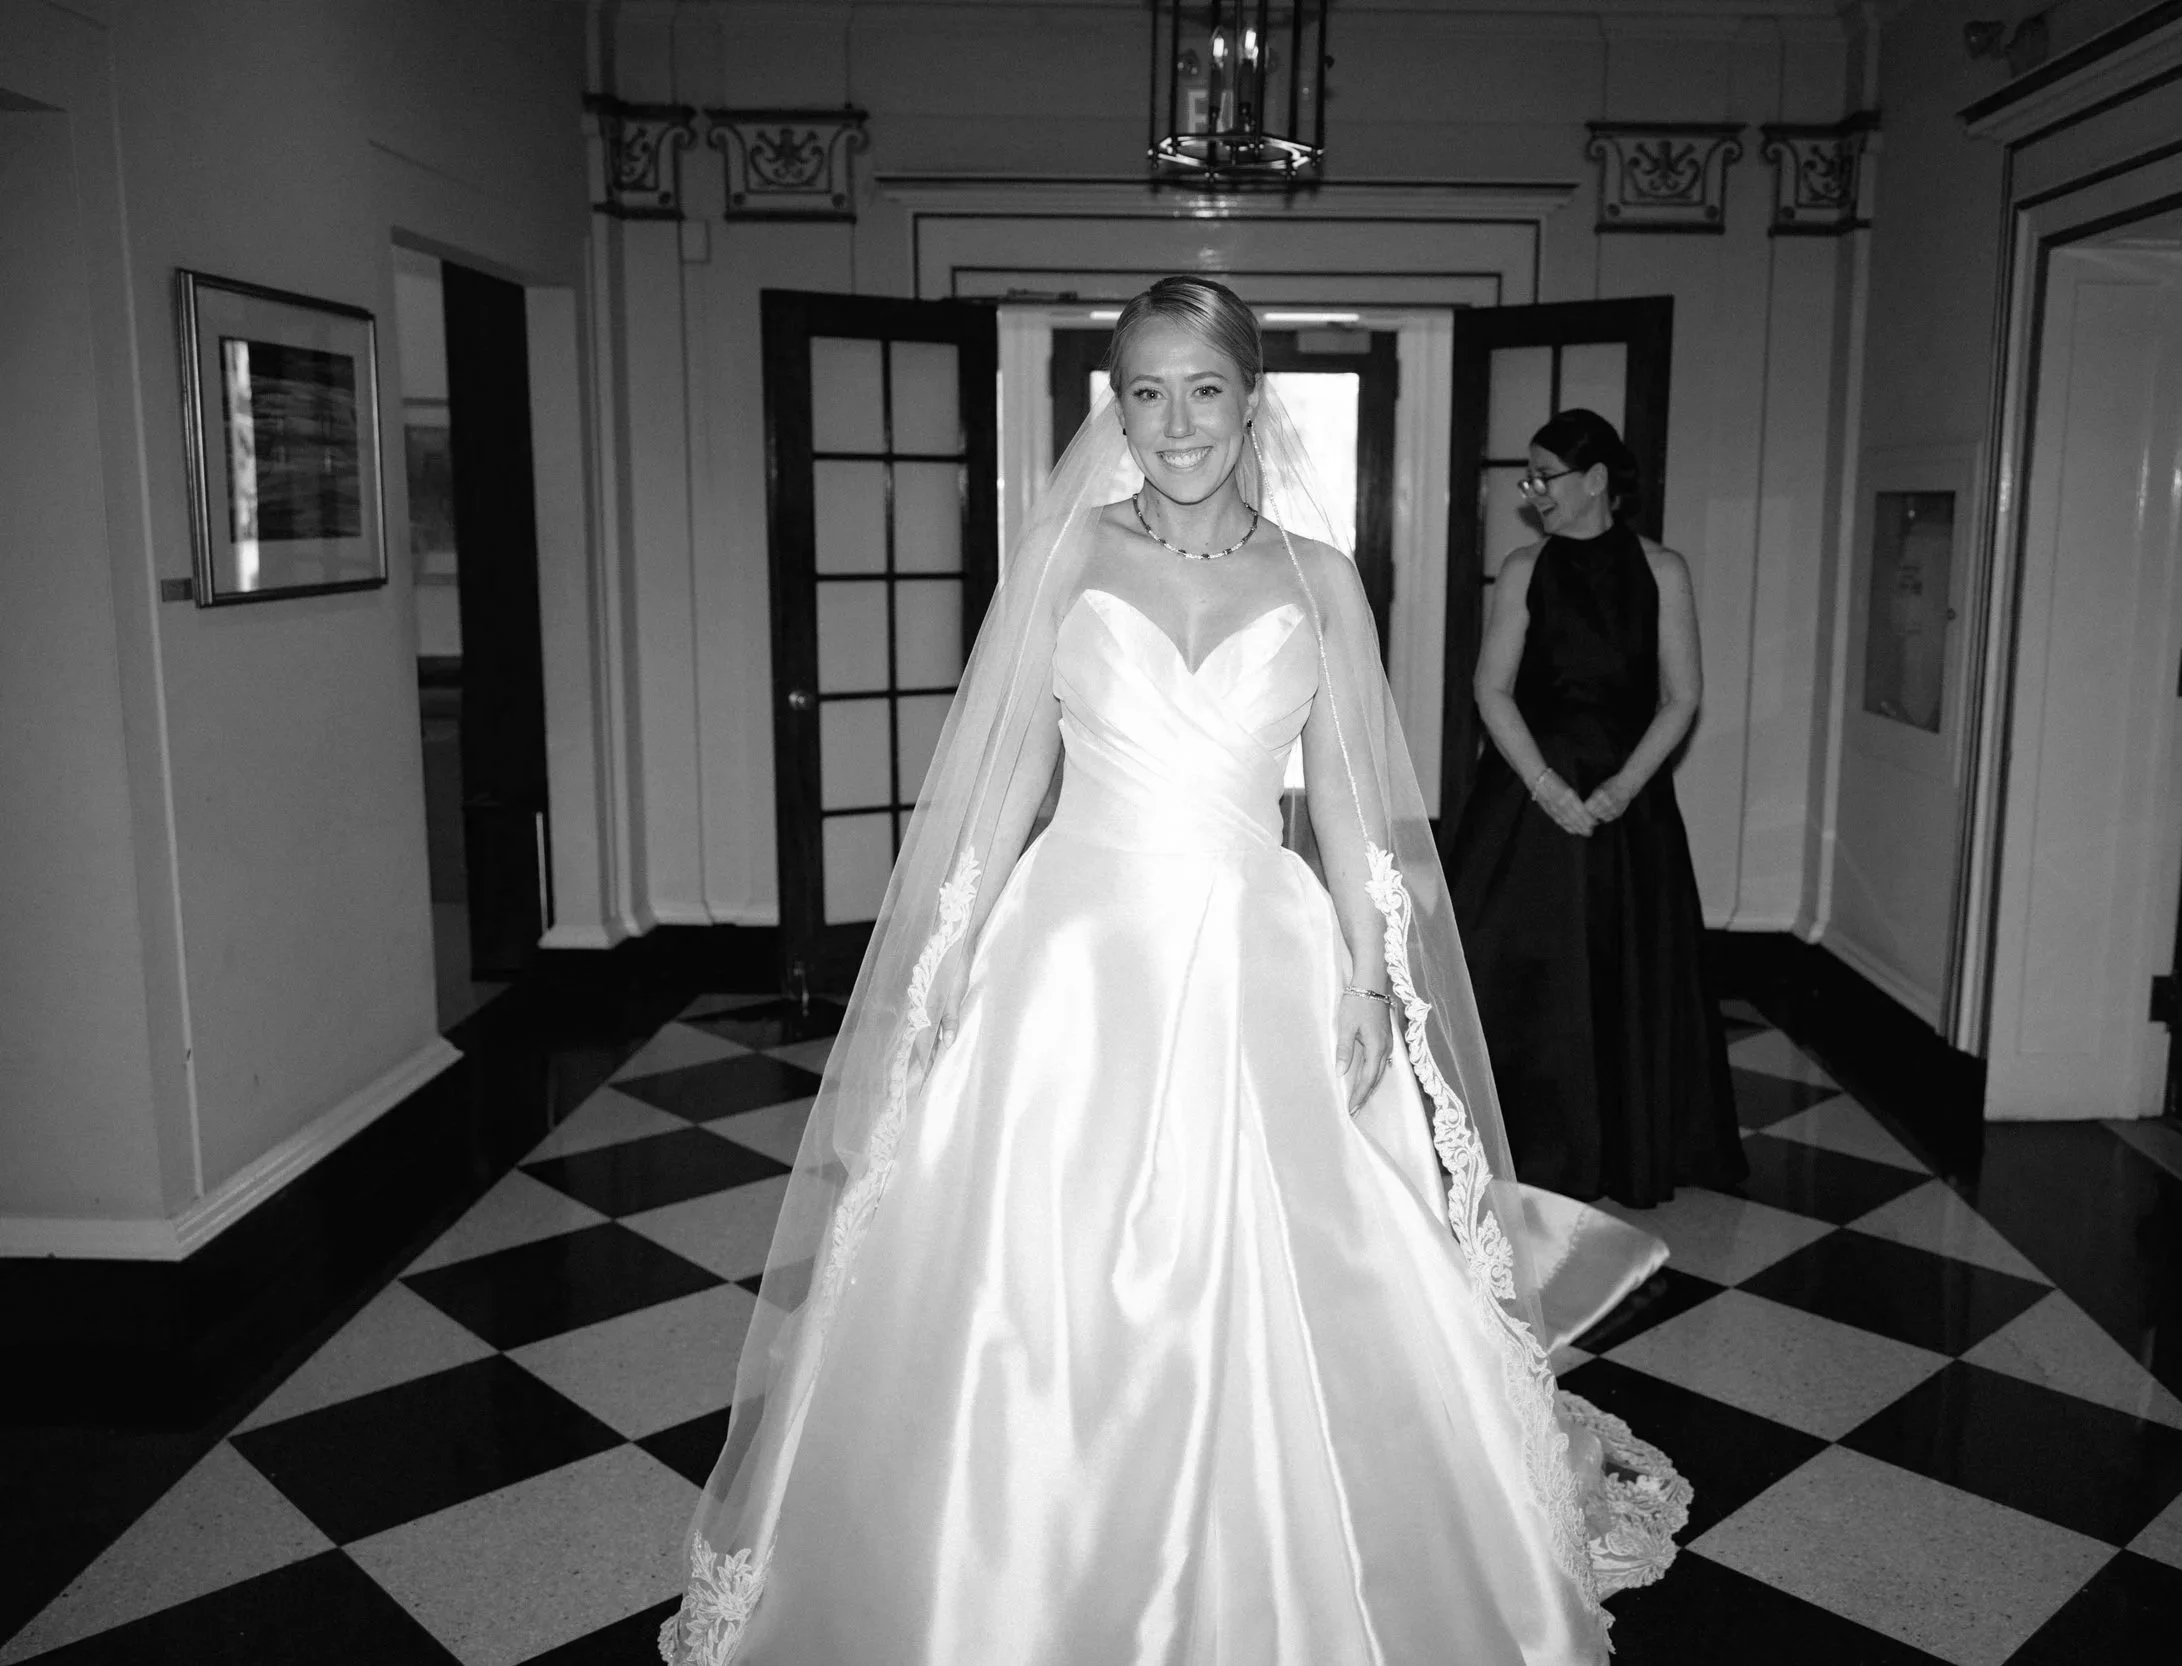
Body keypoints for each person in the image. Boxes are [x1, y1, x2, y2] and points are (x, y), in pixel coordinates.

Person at [659, 281, 1688, 1666]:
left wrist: (1369, 979)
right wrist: (949, 947)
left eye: (1204, 388)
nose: (1176, 420)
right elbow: (1010, 770)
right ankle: (1013, 1555)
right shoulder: (1068, 553)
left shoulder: (1319, 577)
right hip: (1070, 962)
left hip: (1258, 948)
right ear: (1118, 408)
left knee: (1288, 1252)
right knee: (1034, 1262)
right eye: (1145, 391)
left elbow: (1345, 800)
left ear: (1252, 399)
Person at [1446, 410, 1748, 1208]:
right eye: (1529, 478)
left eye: (1544, 476)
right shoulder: (1524, 567)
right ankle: (1508, 1143)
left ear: (1597, 480)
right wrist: (1545, 785)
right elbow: (1490, 688)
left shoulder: (1663, 570)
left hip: (1628, 800)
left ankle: (1619, 1147)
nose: (1533, 492)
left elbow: (1682, 697)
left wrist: (1624, 787)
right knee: (1513, 964)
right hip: (1527, 795)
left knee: (1624, 970)